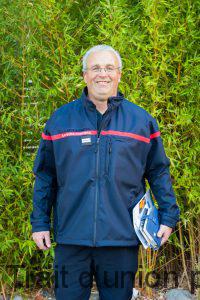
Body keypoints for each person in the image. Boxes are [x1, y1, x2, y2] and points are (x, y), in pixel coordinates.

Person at [30, 45, 180, 300]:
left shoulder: (141, 121)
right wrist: (40, 223)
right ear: (85, 75)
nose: (103, 74)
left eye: (109, 68)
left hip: (120, 239)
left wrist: (168, 215)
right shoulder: (60, 120)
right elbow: (45, 175)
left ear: (119, 75)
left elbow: (158, 171)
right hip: (71, 238)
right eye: (96, 68)